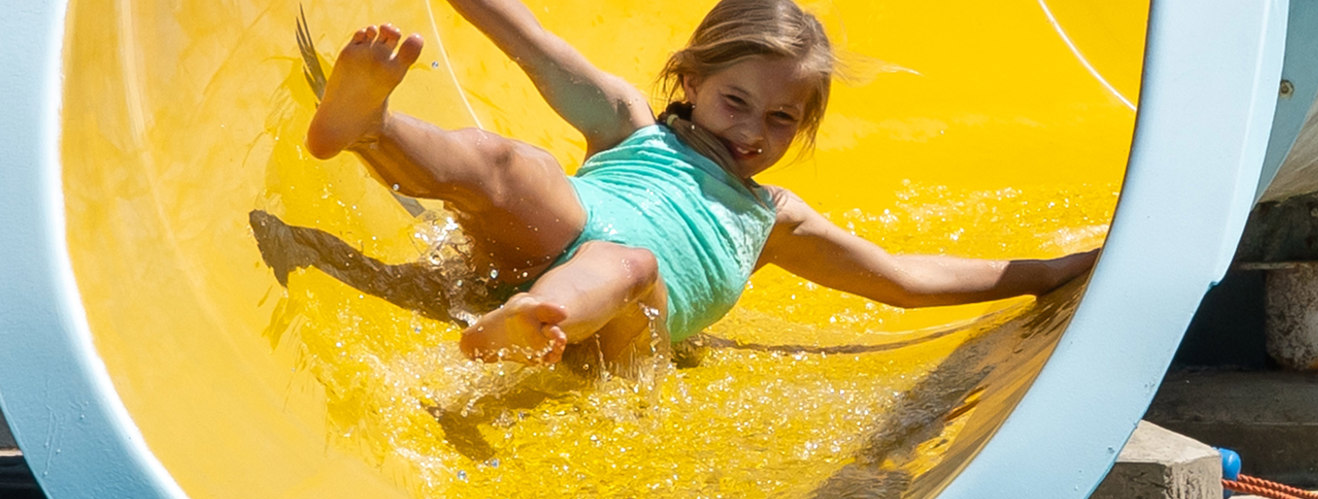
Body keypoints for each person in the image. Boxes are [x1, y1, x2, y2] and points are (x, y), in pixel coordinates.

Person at [306, 0, 1097, 367]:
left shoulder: (774, 219)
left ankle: (531, 322)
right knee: (515, 168)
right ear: (690, 78)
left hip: (623, 318)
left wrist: (1052, 273)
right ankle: (370, 127)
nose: (753, 133)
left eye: (784, 120)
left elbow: (905, 281)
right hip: (558, 237)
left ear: (807, 125)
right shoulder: (628, 123)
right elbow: (529, 41)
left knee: (629, 266)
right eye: (736, 101)